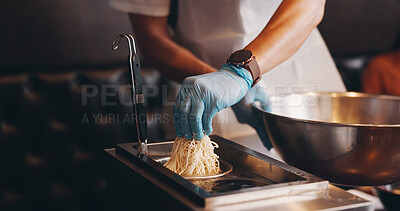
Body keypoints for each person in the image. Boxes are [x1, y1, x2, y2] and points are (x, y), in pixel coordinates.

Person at [110, 0, 346, 153]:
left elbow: (310, 5)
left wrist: (240, 73)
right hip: (202, 84)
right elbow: (152, 36)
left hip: (301, 70)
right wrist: (217, 79)